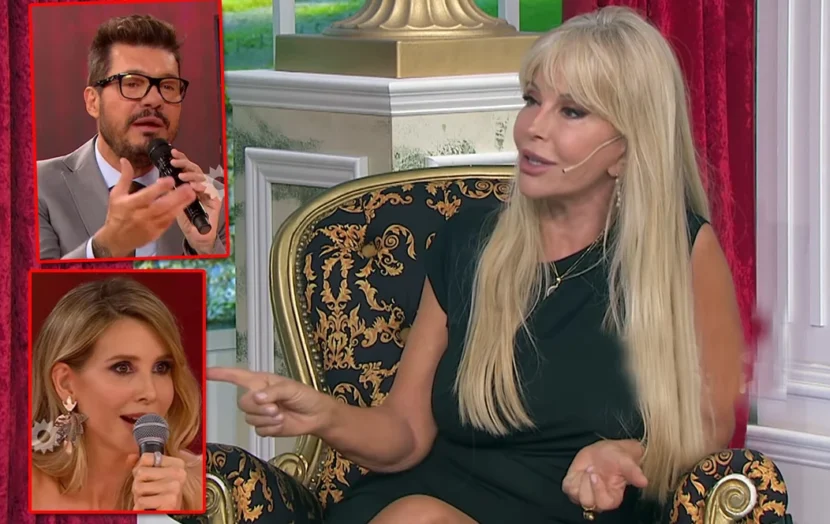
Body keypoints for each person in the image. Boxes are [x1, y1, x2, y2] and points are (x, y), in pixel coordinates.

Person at [209, 6, 745, 523]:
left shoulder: (682, 252)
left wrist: (630, 453)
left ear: (627, 148)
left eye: (572, 111)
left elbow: (710, 427)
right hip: (420, 499)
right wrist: (324, 413)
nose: (532, 128)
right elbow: (405, 435)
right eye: (532, 100)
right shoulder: (470, 239)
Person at [37, 14, 227, 261]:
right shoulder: (37, 187)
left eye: (168, 86)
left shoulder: (211, 201)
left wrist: (203, 248)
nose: (154, 99)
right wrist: (106, 247)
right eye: (132, 83)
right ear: (93, 102)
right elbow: (30, 283)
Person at [31, 277, 203, 511]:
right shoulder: (18, 487)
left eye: (161, 367)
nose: (150, 392)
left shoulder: (205, 486)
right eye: (122, 368)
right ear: (66, 383)